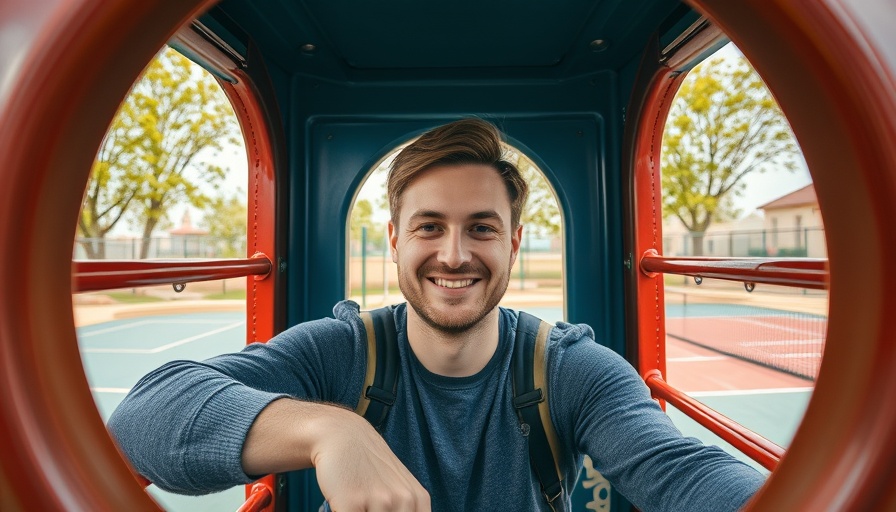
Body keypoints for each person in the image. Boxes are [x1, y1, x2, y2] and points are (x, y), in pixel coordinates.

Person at [108, 118, 765, 511]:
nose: (454, 255)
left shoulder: (573, 370)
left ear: (512, 242)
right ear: (395, 241)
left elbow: (683, 473)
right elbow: (145, 415)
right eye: (429, 227)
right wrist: (331, 433)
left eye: (481, 228)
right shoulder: (339, 352)